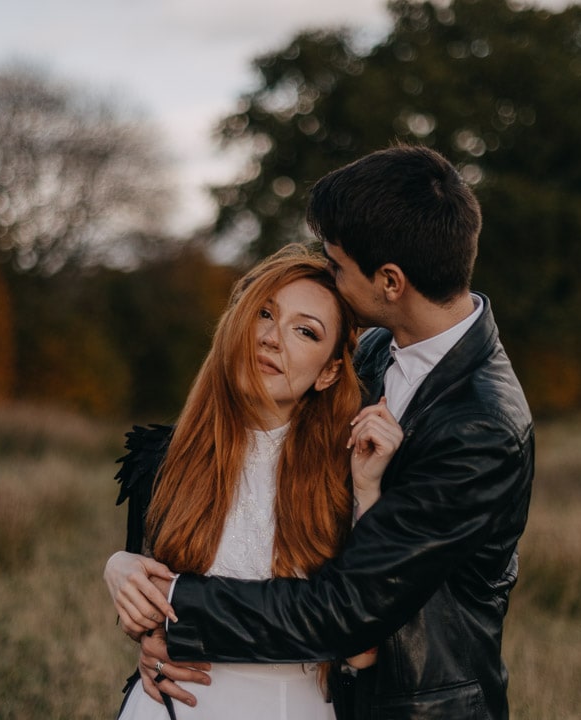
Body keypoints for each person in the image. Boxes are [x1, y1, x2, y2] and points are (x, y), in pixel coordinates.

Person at [128, 145, 536, 720]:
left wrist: (169, 604)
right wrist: (125, 570)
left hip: (410, 704)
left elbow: (346, 610)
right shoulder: (370, 350)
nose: (329, 275)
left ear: (390, 281)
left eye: (338, 266)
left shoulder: (483, 427)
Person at [105, 244, 404, 719]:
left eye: (305, 331)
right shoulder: (161, 459)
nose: (271, 338)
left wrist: (367, 491)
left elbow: (361, 648)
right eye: (264, 313)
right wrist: (120, 569)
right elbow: (148, 617)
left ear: (328, 373)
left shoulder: (347, 475)